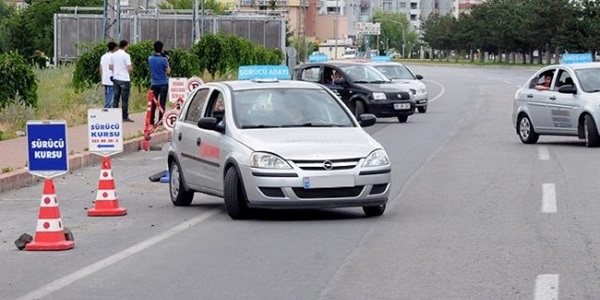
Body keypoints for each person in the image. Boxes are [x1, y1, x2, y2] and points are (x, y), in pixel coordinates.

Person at [110, 40, 134, 122]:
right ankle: (124, 116)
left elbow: (110, 67)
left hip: (116, 78)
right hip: (124, 79)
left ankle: (114, 116)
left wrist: (117, 70)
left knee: (116, 98)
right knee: (124, 99)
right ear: (125, 46)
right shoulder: (126, 55)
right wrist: (130, 70)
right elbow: (129, 68)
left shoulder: (113, 55)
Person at [148, 40, 171, 125]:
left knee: (153, 103)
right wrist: (168, 61)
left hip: (154, 84)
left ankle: (151, 120)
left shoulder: (150, 58)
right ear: (162, 48)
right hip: (163, 83)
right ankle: (161, 120)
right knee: (162, 103)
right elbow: (168, 71)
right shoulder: (164, 60)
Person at [99, 41, 118, 108]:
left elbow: (101, 68)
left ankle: (107, 109)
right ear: (115, 48)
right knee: (110, 98)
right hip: (111, 79)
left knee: (107, 96)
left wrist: (101, 79)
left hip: (105, 79)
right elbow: (113, 67)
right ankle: (107, 110)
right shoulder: (113, 56)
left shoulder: (103, 56)